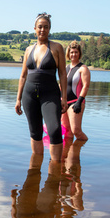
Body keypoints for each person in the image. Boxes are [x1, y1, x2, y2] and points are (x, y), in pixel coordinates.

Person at [15, 13, 68, 161]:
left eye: (46, 27)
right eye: (40, 27)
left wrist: (63, 97)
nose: (42, 30)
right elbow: (23, 76)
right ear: (35, 29)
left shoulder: (57, 48)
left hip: (50, 94)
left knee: (55, 129)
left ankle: (56, 168)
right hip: (29, 95)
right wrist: (18, 99)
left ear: (49, 29)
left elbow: (63, 74)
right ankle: (35, 170)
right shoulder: (28, 50)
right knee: (35, 132)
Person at [61, 41, 91, 141]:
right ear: (68, 54)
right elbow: (61, 85)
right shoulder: (66, 67)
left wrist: (79, 101)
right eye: (71, 52)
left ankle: (86, 147)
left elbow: (86, 86)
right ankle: (68, 153)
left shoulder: (83, 68)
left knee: (76, 130)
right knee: (67, 131)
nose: (73, 54)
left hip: (76, 102)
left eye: (76, 52)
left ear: (79, 54)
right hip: (64, 102)